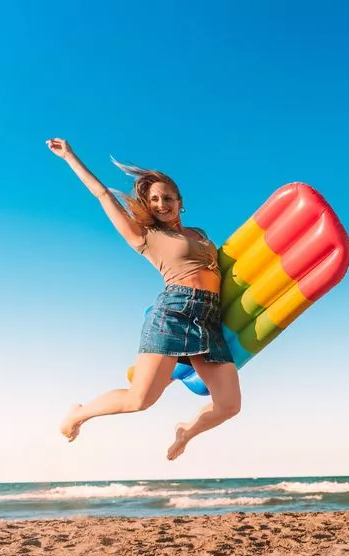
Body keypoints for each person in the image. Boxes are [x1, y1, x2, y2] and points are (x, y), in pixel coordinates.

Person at [47, 138, 240, 459]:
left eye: (167, 198)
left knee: (230, 405)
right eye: (154, 199)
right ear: (147, 205)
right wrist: (70, 156)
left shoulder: (200, 234)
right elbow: (103, 195)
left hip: (209, 317)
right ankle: (79, 412)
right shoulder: (145, 236)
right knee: (141, 399)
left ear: (180, 202)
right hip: (174, 313)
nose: (161, 204)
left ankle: (185, 432)